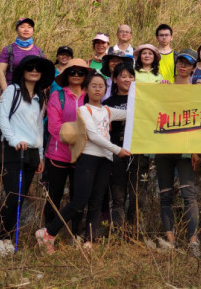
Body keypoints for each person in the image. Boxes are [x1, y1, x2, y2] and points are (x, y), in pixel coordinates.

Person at [36, 72, 131, 252]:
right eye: (93, 86)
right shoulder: (84, 110)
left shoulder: (107, 111)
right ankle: (48, 232)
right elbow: (93, 135)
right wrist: (117, 150)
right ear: (86, 89)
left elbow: (130, 113)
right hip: (88, 158)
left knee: (96, 201)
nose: (97, 89)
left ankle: (89, 240)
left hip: (105, 160)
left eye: (101, 86)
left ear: (105, 90)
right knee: (80, 200)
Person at [0, 55, 54, 255]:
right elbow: (3, 117)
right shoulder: (13, 90)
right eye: (30, 67)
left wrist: (41, 155)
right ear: (22, 71)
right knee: (12, 195)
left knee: (20, 197)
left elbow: (37, 128)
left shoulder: (40, 97)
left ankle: (7, 237)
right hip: (13, 150)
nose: (34, 71)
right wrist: (13, 140)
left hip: (32, 151)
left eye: (38, 68)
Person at [154, 51, 201, 257]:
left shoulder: (197, 89)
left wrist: (197, 150)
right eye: (180, 62)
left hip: (186, 149)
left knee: (188, 195)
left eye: (187, 63)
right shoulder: (164, 87)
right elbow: (152, 112)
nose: (182, 66)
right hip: (163, 147)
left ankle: (193, 241)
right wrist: (159, 93)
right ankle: (170, 241)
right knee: (165, 195)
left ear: (194, 67)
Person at [42, 58, 90, 237]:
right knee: (54, 195)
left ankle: (75, 234)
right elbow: (54, 126)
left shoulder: (89, 96)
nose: (76, 75)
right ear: (66, 75)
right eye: (72, 72)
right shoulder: (58, 96)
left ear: (86, 75)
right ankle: (48, 232)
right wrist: (80, 137)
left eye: (81, 72)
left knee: (78, 197)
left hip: (83, 155)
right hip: (58, 154)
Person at [103, 62, 149, 233]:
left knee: (139, 197)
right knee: (118, 198)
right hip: (117, 154)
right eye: (123, 76)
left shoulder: (142, 101)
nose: (128, 79)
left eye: (131, 76)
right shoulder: (108, 103)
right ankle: (119, 234)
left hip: (139, 153)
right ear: (115, 79)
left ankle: (134, 232)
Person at [0, 17, 46, 93]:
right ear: (17, 30)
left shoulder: (39, 52)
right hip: (12, 89)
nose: (26, 30)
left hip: (32, 92)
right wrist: (6, 91)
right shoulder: (8, 49)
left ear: (33, 30)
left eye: (29, 27)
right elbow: (0, 71)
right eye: (22, 27)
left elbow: (44, 74)